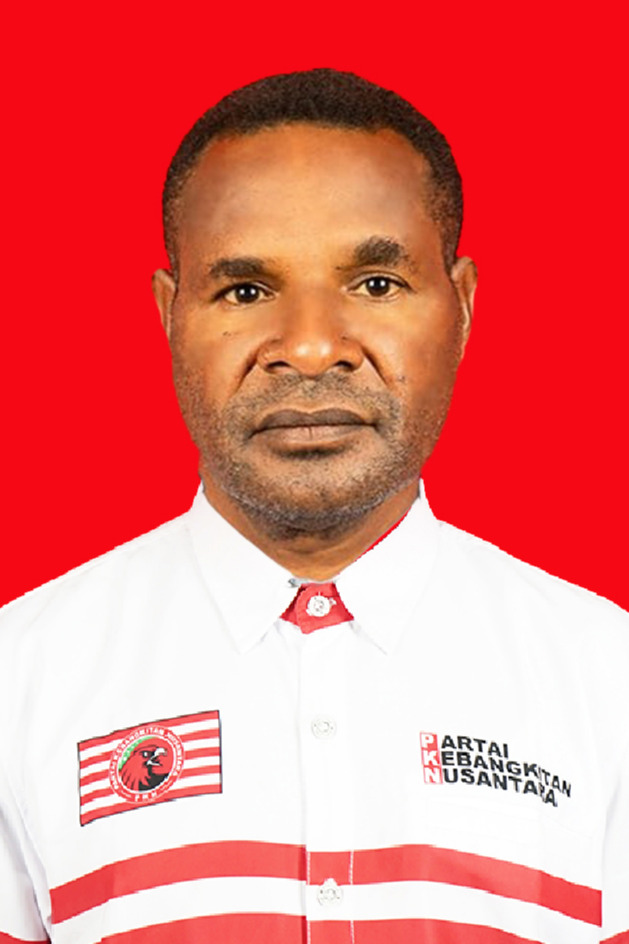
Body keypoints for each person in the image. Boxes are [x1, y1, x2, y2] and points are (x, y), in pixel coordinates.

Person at [0, 68, 627, 944]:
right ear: (170, 315)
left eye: (375, 283)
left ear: (462, 306)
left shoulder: (606, 677)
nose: (307, 347)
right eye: (245, 291)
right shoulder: (20, 676)